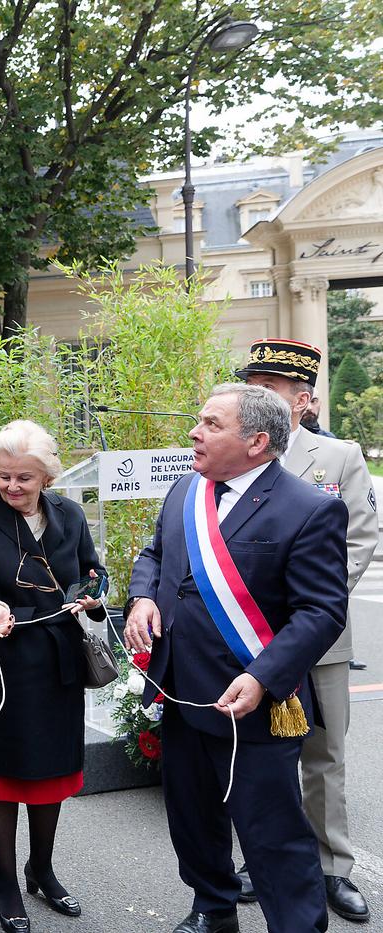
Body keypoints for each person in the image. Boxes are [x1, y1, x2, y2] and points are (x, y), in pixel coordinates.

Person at [125, 383, 348, 933]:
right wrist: (143, 595)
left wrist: (263, 676)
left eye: (210, 424)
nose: (194, 433)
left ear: (256, 441)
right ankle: (213, 907)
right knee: (193, 818)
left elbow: (321, 611)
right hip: (181, 691)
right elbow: (155, 554)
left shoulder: (310, 509)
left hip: (253, 702)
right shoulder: (186, 490)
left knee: (271, 833)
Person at [231, 340, 377, 922]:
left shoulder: (337, 457)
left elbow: (361, 538)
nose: (258, 394)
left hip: (318, 638)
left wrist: (307, 606)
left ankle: (332, 867)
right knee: (258, 755)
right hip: (247, 635)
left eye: (270, 387)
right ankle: (259, 858)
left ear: (303, 399)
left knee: (324, 753)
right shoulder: (239, 455)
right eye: (254, 384)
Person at [0, 420, 107, 933]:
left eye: (24, 479)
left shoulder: (69, 513)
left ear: (46, 479)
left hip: (57, 661)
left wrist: (92, 592)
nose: (12, 487)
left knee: (51, 774)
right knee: (1, 775)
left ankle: (43, 869)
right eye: (4, 477)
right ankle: (6, 881)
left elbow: (91, 570)